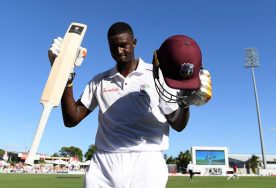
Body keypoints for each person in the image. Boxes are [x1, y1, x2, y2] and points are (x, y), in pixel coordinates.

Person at [48, 22, 212, 188]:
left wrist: (185, 103)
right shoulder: (99, 81)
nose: (119, 51)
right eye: (113, 47)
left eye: (123, 45)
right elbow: (71, 119)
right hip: (103, 162)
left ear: (134, 43)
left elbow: (178, 124)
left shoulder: (156, 76)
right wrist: (65, 77)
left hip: (146, 161)